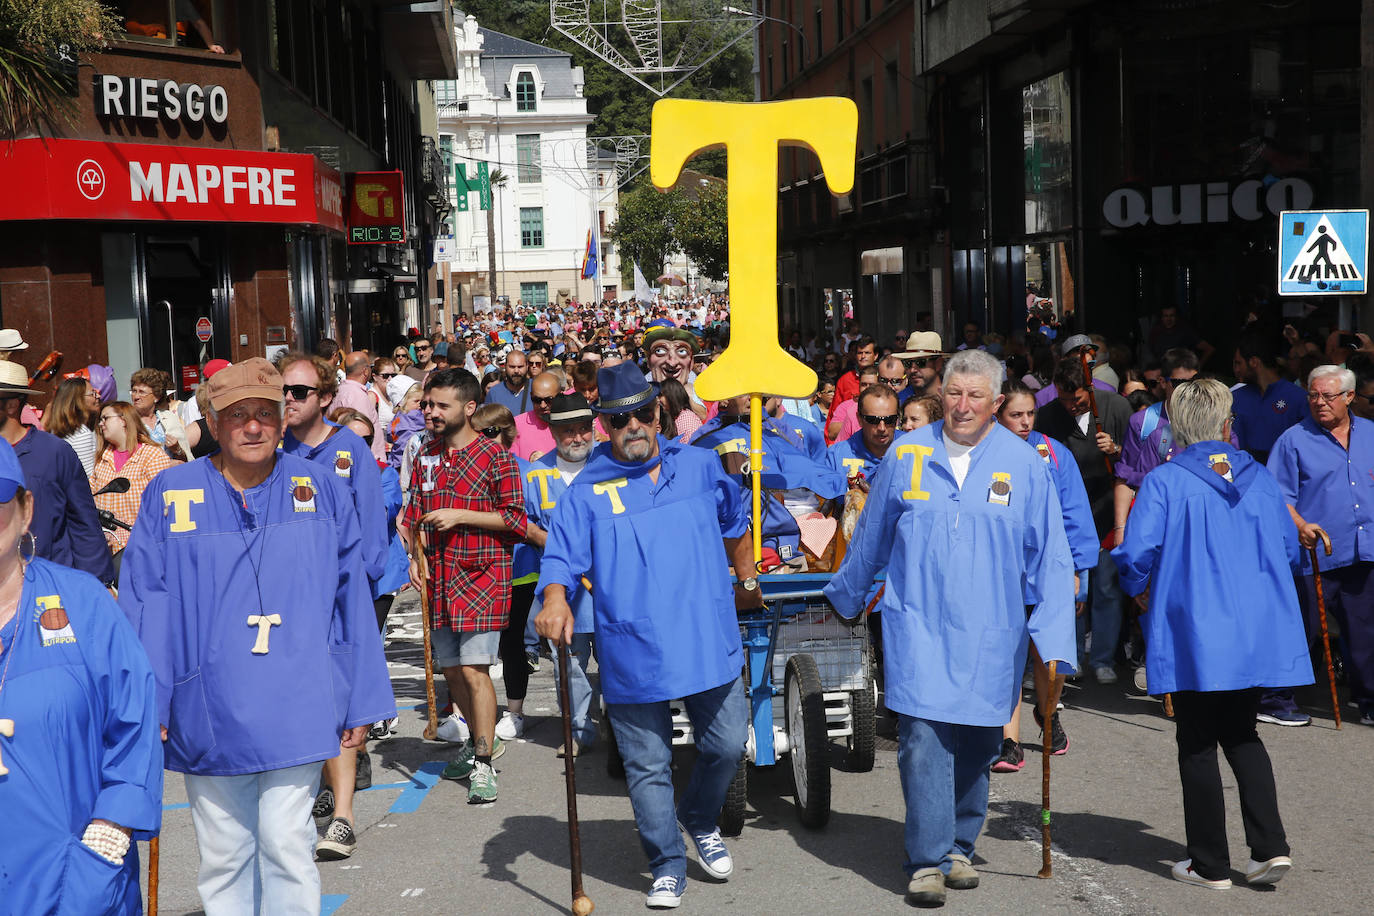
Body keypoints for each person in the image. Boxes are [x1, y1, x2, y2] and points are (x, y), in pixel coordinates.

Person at [119, 357, 394, 912]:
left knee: (287, 845)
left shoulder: (319, 488)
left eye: (265, 414)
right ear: (214, 423)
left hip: (299, 699)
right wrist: (152, 703)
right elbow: (148, 603)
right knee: (224, 855)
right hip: (208, 706)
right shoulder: (171, 495)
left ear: (282, 419)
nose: (252, 427)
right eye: (237, 415)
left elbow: (351, 600)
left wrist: (360, 698)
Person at [824, 350, 1075, 907]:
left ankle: (959, 845)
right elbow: (874, 534)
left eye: (976, 396)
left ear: (997, 401)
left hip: (993, 629)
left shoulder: (1025, 462)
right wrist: (845, 594)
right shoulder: (909, 452)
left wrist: (1054, 637)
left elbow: (1050, 556)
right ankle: (926, 859)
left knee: (979, 740)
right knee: (922, 740)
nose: (963, 406)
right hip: (918, 623)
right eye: (955, 393)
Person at [535, 362, 761, 909]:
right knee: (647, 764)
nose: (631, 427)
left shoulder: (704, 466)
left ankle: (700, 817)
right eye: (617, 421)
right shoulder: (585, 489)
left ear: (658, 412)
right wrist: (556, 598)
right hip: (634, 645)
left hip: (707, 634)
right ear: (601, 427)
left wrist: (748, 578)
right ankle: (666, 861)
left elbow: (736, 523)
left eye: (640, 414)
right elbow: (561, 558)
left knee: (729, 743)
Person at [1112, 378, 1311, 888]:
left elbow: (1136, 554)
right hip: (1252, 627)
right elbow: (1290, 553)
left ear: (1176, 429)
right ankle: (1269, 847)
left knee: (1197, 740)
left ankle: (1210, 863)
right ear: (1228, 426)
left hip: (1194, 626)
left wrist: (1137, 587)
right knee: (1244, 733)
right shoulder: (1261, 478)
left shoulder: (1164, 481)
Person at [0, 438, 164, 915]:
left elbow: (133, 720)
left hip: (71, 880)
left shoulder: (83, 602)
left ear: (26, 509)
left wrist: (113, 828)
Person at [277, 352, 388, 858]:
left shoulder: (348, 449)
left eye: (299, 392)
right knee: (300, 704)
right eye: (283, 391)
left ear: (324, 398)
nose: (288, 401)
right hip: (285, 603)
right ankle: (316, 792)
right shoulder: (270, 451)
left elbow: (370, 523)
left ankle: (342, 815)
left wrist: (359, 591)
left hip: (341, 600)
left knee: (343, 703)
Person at [401, 368, 527, 804]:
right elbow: (413, 513)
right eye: (427, 404)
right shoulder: (425, 455)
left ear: (469, 408)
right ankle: (476, 743)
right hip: (438, 578)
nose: (430, 412)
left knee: (475, 670)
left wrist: (460, 515)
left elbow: (515, 520)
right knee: (451, 671)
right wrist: (414, 558)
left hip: (481, 576)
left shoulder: (498, 458)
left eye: (441, 405)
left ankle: (485, 763)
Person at [991, 381, 1097, 772]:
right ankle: (1009, 741)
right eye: (1015, 414)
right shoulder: (984, 452)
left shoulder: (1055, 453)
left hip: (1051, 568)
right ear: (998, 412)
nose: (1023, 422)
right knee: (1007, 654)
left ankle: (1048, 713)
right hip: (1002, 570)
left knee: (1049, 653)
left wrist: (1078, 572)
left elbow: (1076, 515)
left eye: (1030, 414)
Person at [1260, 365, 1374, 727]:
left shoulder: (1371, 434)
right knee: (1302, 627)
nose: (1319, 402)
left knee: (1365, 630)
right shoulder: (1293, 440)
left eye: (1328, 396)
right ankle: (1275, 698)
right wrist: (1300, 525)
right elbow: (1278, 497)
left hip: (1364, 551)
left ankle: (1368, 699)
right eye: (1313, 395)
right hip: (1315, 554)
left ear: (1349, 397)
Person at [1035, 357, 1130, 683]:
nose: (1070, 405)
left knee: (1106, 589)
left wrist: (1115, 449)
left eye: (1076, 399)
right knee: (1071, 594)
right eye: (1062, 398)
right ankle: (1070, 657)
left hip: (1105, 512)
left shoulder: (1115, 407)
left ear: (1089, 389)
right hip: (1065, 517)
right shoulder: (1047, 417)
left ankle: (1102, 658)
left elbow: (1133, 463)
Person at [521, 393, 598, 755]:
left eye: (585, 429)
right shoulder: (535, 475)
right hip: (561, 590)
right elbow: (523, 522)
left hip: (609, 585)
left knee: (619, 662)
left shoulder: (609, 467)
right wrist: (550, 539)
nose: (579, 437)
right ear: (553, 432)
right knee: (568, 663)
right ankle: (577, 729)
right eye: (569, 431)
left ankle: (624, 727)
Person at [0, 362, 115, 587]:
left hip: (50, 588)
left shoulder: (54, 452)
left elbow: (83, 522)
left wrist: (96, 585)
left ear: (12, 405)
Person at [91, 400, 182, 554]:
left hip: (142, 548)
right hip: (107, 550)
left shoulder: (151, 456)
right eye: (100, 419)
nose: (101, 423)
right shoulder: (102, 458)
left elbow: (165, 506)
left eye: (105, 418)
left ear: (124, 420)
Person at [1230, 330, 1309, 464]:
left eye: (1239, 363)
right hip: (1242, 476)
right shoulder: (1233, 397)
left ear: (1254, 362)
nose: (1236, 370)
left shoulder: (1298, 398)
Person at [829, 384, 900, 485]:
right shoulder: (836, 456)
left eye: (890, 419)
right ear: (859, 419)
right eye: (873, 420)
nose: (882, 428)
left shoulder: (915, 450)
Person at [333, 351, 386, 461]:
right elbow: (362, 436)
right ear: (365, 371)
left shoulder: (341, 391)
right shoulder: (357, 396)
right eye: (371, 367)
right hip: (367, 463)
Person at [44, 376, 100, 477]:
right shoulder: (81, 434)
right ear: (78, 400)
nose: (98, 396)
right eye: (93, 393)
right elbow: (89, 478)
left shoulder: (56, 429)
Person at [129, 368, 189, 460]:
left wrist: (177, 449)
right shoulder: (127, 420)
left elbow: (186, 460)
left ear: (156, 397)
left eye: (142, 392)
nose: (136, 396)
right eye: (134, 391)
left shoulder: (169, 418)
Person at [825, 335, 877, 429]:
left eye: (867, 353)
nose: (863, 356)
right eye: (860, 353)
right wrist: (831, 443)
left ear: (875, 356)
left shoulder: (883, 378)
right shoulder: (844, 380)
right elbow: (833, 415)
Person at [511, 372, 562, 461]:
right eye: (537, 400)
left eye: (549, 400)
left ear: (561, 396)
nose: (542, 405)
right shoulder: (516, 424)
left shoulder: (572, 424)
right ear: (531, 396)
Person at [1148, 304, 1215, 367]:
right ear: (1161, 318)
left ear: (1177, 317)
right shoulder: (1156, 332)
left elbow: (1209, 349)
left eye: (1172, 315)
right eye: (1166, 316)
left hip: (1181, 373)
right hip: (1162, 372)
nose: (1169, 319)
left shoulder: (1184, 331)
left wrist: (1197, 369)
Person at [893, 331, 947, 402]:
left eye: (920, 362)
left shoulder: (954, 399)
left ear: (938, 364)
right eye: (908, 363)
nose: (912, 370)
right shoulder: (899, 401)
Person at [486, 349, 532, 415]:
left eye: (520, 367)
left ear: (527, 367)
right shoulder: (494, 393)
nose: (516, 371)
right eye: (512, 367)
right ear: (505, 366)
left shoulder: (537, 389)